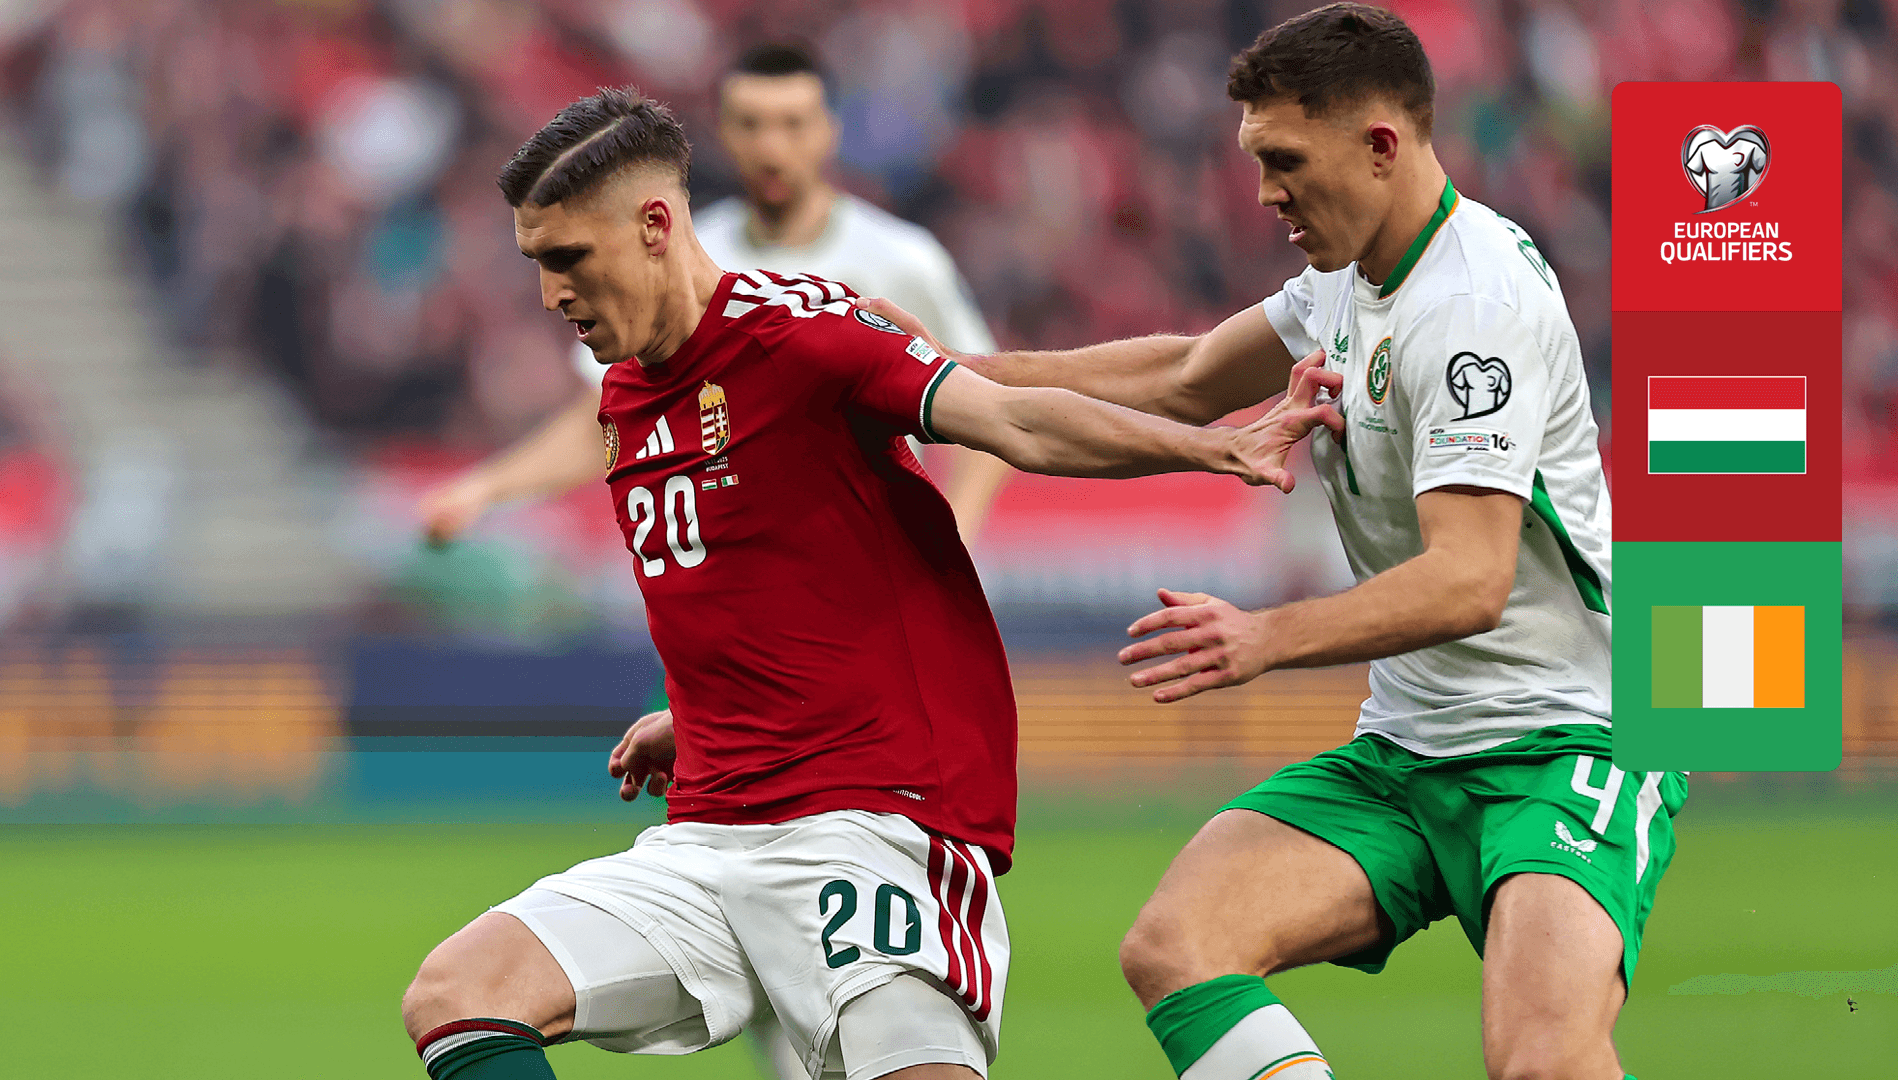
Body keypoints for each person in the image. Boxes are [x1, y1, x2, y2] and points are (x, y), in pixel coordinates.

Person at [399, 88, 1337, 1080]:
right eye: (536, 265)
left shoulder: (799, 332)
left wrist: (1214, 448)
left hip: (874, 822)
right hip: (711, 837)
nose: (552, 295)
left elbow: (1013, 421)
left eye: (568, 259)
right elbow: (758, 572)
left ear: (654, 225)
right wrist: (706, 712)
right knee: (460, 992)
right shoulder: (626, 393)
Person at [860, 7, 1679, 1080]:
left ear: (1380, 145)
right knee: (1178, 948)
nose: (1263, 194)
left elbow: (1472, 579)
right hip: (1408, 751)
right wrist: (955, 375)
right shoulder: (1351, 275)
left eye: (1284, 160)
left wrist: (1264, 637)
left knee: (1543, 1062)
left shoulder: (1474, 307)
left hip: (1563, 743)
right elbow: (1188, 376)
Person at [416, 43, 1010, 551]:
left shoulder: (902, 261)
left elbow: (981, 403)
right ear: (722, 134)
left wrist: (950, 539)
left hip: (859, 573)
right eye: (750, 124)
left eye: (792, 124)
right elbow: (606, 418)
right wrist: (486, 489)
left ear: (830, 130)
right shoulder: (682, 253)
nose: (771, 147)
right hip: (724, 578)